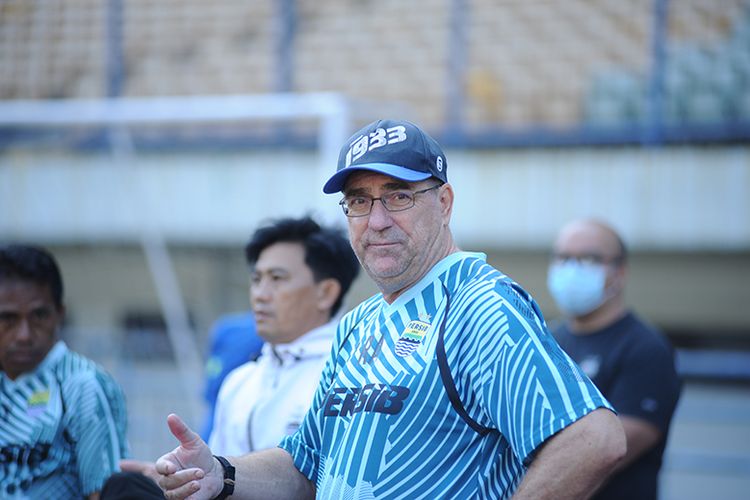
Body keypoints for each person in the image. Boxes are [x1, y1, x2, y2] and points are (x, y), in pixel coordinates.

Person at [155, 119, 626, 500]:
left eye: (398, 195)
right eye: (359, 201)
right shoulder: (358, 323)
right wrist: (221, 473)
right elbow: (306, 465)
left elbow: (594, 440)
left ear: (444, 202)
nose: (377, 221)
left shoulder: (479, 303)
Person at [547, 218, 682, 500]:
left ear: (620, 272)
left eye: (589, 258)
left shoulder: (645, 349)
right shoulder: (548, 340)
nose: (572, 269)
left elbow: (608, 451)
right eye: (563, 257)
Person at [208, 216, 360, 455]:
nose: (260, 294)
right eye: (256, 279)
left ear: (326, 292)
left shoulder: (350, 377)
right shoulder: (239, 382)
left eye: (277, 278)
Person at [0, 244, 130, 499]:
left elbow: (103, 492)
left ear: (60, 314)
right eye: (8, 318)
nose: (24, 334)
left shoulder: (83, 385)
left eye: (38, 316)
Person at [201, 311, 264, 442]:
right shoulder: (263, 333)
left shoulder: (225, 328)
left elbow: (213, 368)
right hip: (236, 411)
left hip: (220, 408)